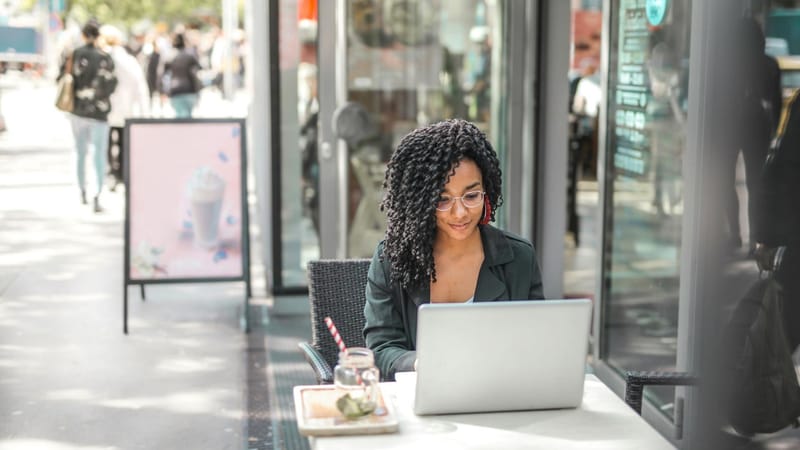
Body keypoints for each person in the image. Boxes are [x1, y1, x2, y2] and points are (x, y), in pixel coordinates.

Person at [363, 119, 544, 380]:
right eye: (442, 199)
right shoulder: (391, 259)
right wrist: (420, 362)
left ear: (487, 192)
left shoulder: (519, 258)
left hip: (500, 396)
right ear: (420, 202)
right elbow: (381, 349)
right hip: (420, 401)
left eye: (471, 196)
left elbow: (536, 345)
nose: (459, 213)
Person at [64, 19, 118, 212]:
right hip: (100, 112)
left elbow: (67, 78)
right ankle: (97, 193)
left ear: (84, 35)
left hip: (78, 109)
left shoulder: (76, 54)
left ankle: (82, 190)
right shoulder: (106, 58)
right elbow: (112, 84)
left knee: (80, 152)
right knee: (99, 154)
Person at [99, 25, 150, 191]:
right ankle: (121, 173)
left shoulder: (102, 57)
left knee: (106, 142)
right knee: (122, 142)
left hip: (105, 109)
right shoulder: (128, 59)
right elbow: (140, 86)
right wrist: (144, 110)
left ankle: (110, 173)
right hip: (126, 109)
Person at [163, 33, 201, 118]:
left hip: (176, 91)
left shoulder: (170, 57)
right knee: (187, 118)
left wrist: (163, 90)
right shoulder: (189, 56)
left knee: (180, 118)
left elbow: (162, 74)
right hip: (189, 90)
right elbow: (196, 71)